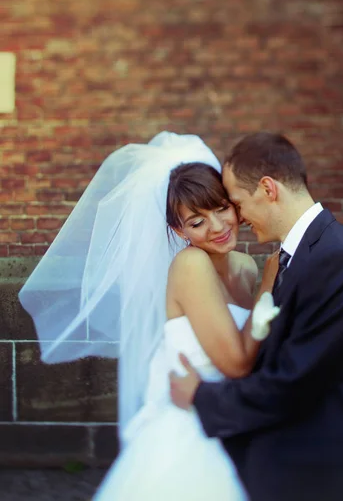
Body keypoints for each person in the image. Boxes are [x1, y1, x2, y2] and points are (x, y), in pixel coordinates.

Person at [19, 132, 279, 501]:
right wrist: (270, 286)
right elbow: (238, 361)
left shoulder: (245, 266)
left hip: (228, 417)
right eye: (196, 221)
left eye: (221, 208)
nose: (218, 227)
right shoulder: (190, 264)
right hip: (187, 430)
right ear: (178, 230)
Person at [170, 132, 343, 501]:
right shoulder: (307, 255)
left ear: (268, 189)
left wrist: (201, 396)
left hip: (330, 475)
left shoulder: (338, 259)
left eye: (237, 203)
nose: (236, 217)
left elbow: (294, 380)